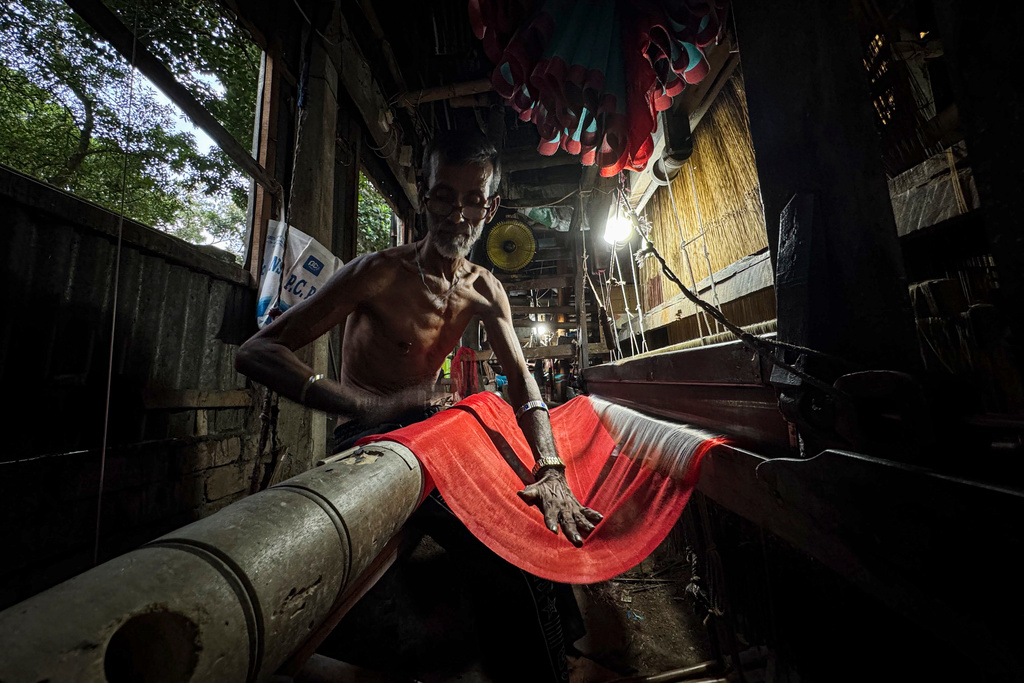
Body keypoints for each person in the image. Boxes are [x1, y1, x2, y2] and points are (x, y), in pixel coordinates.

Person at [236, 130, 601, 680]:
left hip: (432, 437)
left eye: (473, 200)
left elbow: (524, 382)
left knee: (531, 515)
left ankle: (560, 649)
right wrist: (360, 403)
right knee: (503, 556)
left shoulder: (484, 289)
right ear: (423, 195)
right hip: (371, 443)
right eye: (444, 196)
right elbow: (258, 351)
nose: (458, 214)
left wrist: (551, 468)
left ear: (491, 207)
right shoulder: (378, 273)